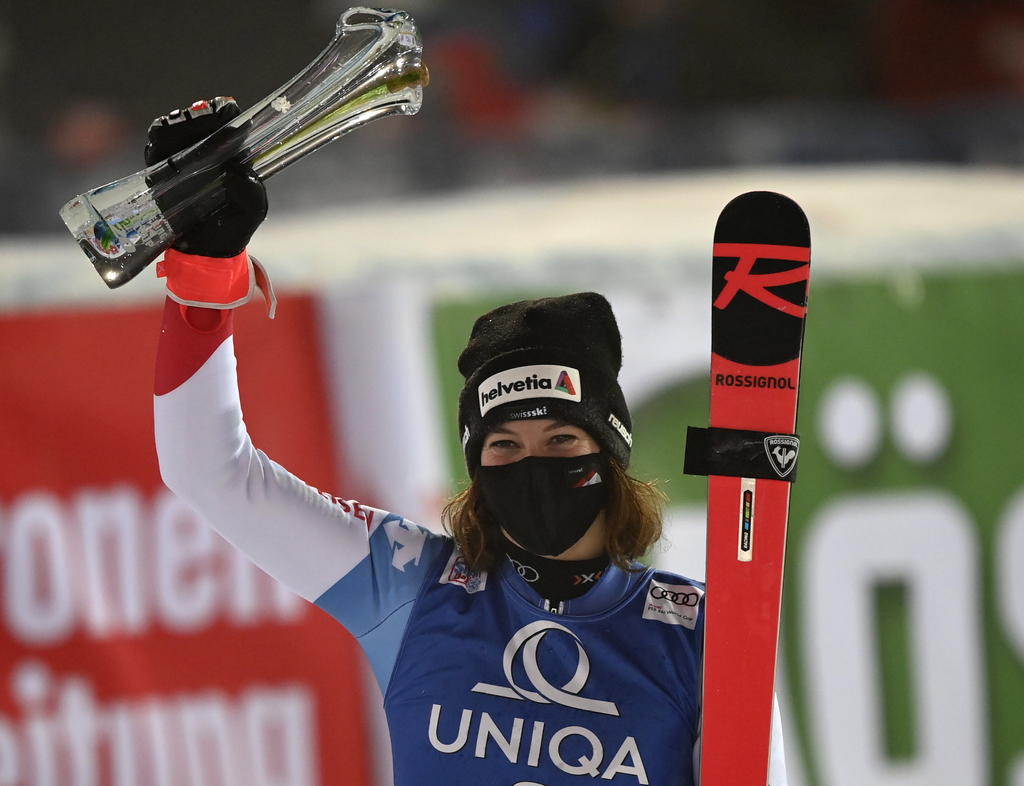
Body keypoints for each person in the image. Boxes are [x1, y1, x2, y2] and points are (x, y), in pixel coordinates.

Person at [151, 99, 788, 786]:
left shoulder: (697, 637)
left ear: (610, 454)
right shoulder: (411, 589)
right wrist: (203, 278)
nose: (532, 462)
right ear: (477, 469)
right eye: (504, 447)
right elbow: (211, 474)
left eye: (561, 436)